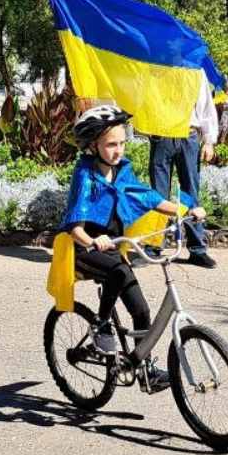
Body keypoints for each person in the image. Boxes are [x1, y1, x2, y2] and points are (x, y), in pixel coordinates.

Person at [62, 105, 208, 390]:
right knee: (118, 273)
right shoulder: (85, 175)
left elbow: (148, 197)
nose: (118, 150)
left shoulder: (121, 172)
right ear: (93, 146)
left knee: (141, 311)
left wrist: (182, 210)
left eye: (122, 143)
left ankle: (145, 370)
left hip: (115, 249)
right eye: (111, 145)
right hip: (85, 249)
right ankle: (101, 323)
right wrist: (92, 240)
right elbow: (73, 226)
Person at [142, 78, 219, 269]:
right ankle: (153, 247)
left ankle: (197, 250)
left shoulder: (194, 70)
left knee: (190, 192)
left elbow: (205, 105)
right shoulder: (155, 65)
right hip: (161, 134)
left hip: (188, 134)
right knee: (158, 194)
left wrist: (209, 141)